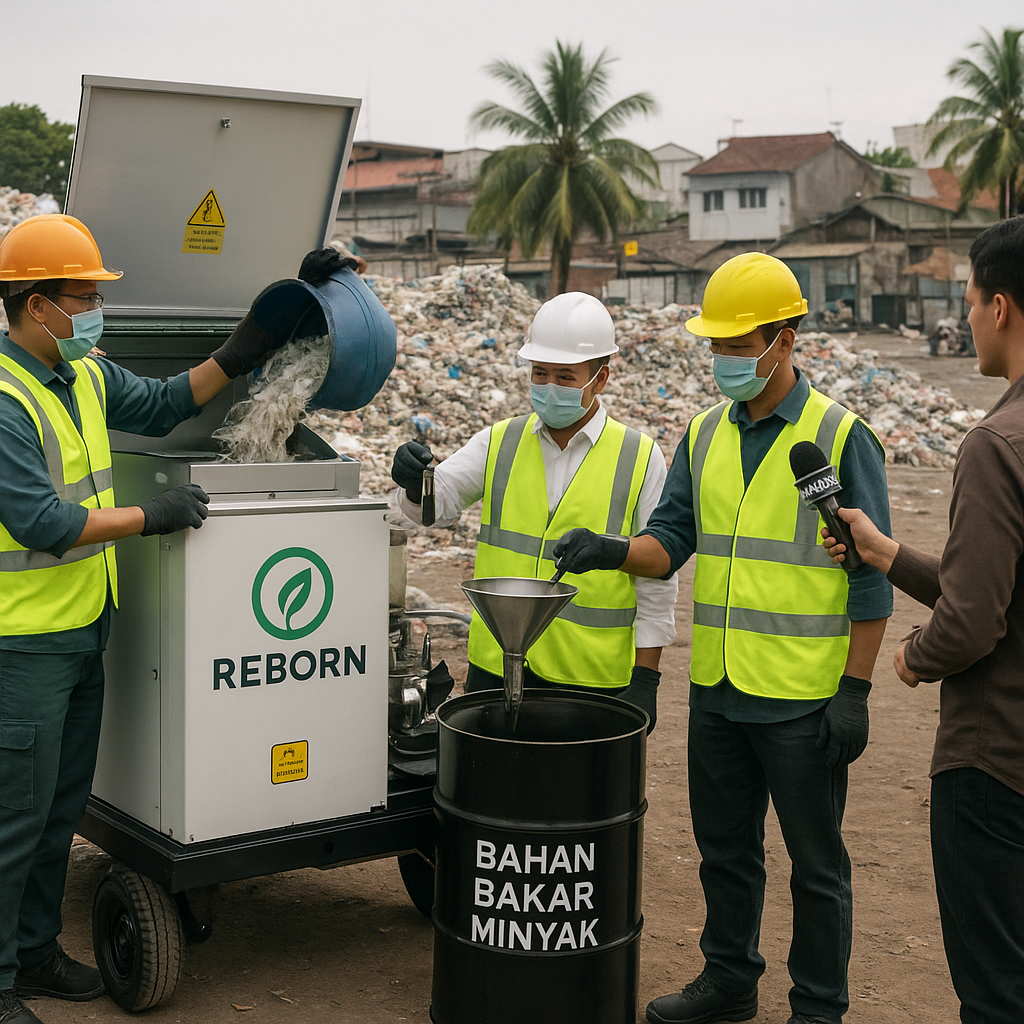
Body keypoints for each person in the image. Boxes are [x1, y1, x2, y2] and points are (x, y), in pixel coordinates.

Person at [553, 253, 893, 1024]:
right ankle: (730, 981)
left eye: (740, 346)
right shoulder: (704, 435)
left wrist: (857, 691)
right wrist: (612, 548)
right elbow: (669, 542)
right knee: (726, 855)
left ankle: (817, 1006)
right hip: (718, 691)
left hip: (804, 699)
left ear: (787, 339)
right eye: (718, 346)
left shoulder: (840, 438)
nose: (724, 361)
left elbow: (871, 577)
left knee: (816, 867)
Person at [0, 214, 291, 1024]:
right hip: (21, 645)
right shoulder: (4, 401)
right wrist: (148, 515)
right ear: (33, 305)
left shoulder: (82, 376)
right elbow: (42, 524)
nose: (96, 311)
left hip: (85, 628)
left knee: (60, 812)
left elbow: (165, 405)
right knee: (13, 818)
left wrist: (248, 346)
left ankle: (35, 955)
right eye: (83, 297)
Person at [823, 216, 1024, 1024]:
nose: (967, 315)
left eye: (970, 299)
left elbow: (975, 621)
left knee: (996, 993)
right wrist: (886, 554)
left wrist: (910, 657)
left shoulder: (995, 444)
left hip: (994, 771)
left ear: (1000, 308)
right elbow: (1000, 589)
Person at [390, 291, 676, 727]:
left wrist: (646, 678)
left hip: (589, 678)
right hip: (498, 665)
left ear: (600, 378)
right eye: (539, 373)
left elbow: (657, 580)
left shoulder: (639, 457)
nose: (548, 387)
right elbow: (437, 506)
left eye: (565, 376)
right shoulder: (499, 441)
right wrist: (416, 483)